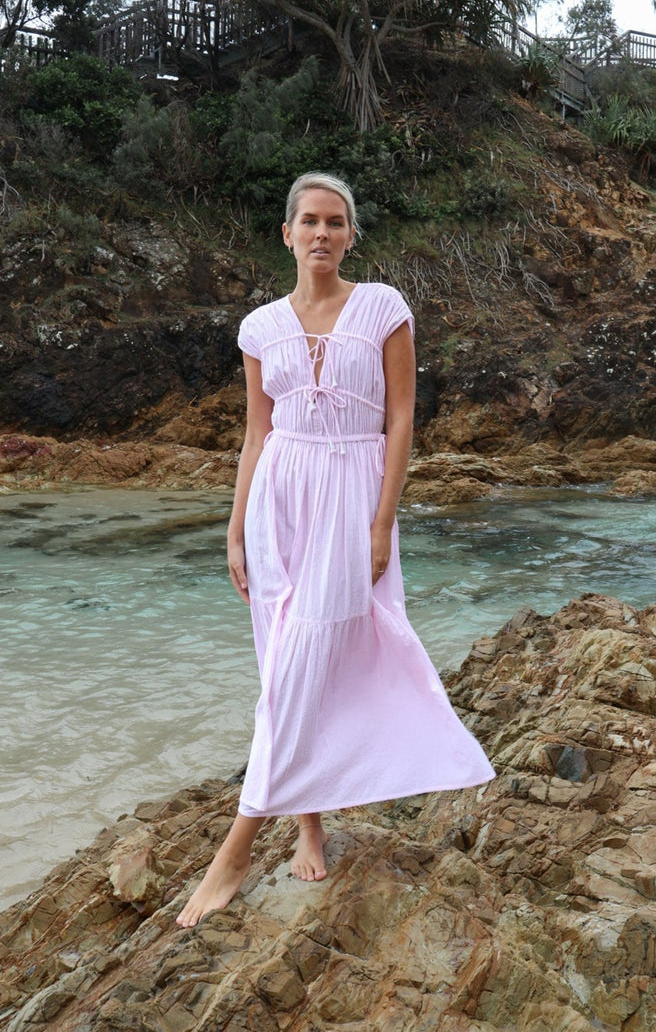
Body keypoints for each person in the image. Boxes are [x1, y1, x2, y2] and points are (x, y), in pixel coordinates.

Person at [175, 172, 495, 928]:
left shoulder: (383, 308)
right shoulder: (259, 327)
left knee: (310, 655)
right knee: (281, 662)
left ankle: (236, 847)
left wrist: (382, 522)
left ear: (350, 236)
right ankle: (308, 825)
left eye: (336, 222)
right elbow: (258, 434)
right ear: (286, 233)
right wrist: (234, 526)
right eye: (310, 221)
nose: (322, 233)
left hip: (352, 496)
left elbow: (401, 420)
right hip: (277, 501)